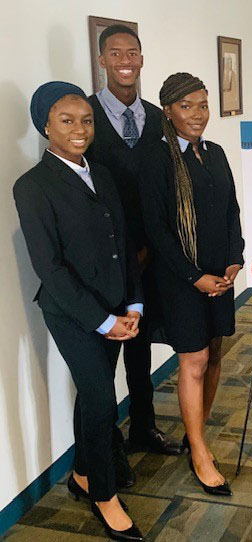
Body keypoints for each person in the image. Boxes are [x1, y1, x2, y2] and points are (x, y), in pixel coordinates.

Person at [14, 82, 144, 541]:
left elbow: (123, 242)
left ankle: (82, 473)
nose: (79, 129)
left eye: (86, 120)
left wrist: (133, 302)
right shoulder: (31, 186)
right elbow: (49, 268)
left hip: (115, 305)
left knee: (94, 393)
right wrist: (104, 321)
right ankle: (104, 496)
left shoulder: (103, 175)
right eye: (66, 121)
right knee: (102, 400)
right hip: (71, 313)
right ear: (45, 125)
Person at [139, 73, 244, 495]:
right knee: (194, 360)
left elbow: (231, 210)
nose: (197, 114)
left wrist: (235, 257)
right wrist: (194, 277)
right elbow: (156, 230)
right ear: (167, 110)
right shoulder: (156, 159)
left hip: (220, 275)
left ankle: (194, 431)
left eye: (202, 105)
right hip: (182, 279)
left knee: (215, 351)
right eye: (187, 106)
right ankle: (199, 452)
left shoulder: (215, 153)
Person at [85, 25, 182, 478]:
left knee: (142, 348)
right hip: (103, 263)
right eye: (115, 52)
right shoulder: (84, 117)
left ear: (142, 60)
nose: (125, 60)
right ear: (102, 60)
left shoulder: (156, 118)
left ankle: (144, 427)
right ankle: (107, 449)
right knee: (102, 363)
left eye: (133, 52)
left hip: (150, 256)